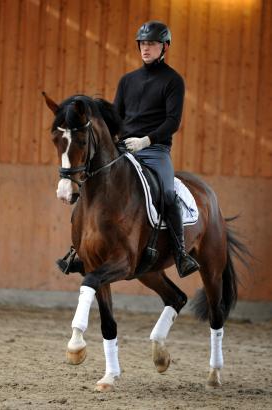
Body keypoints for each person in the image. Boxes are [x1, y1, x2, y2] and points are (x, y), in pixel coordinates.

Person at [57, 21, 199, 278]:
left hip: (155, 151)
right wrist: (117, 141)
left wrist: (146, 140)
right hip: (125, 148)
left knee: (167, 193)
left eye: (152, 44)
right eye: (143, 44)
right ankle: (79, 248)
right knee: (93, 183)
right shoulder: (127, 80)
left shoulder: (173, 81)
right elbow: (117, 117)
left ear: (164, 47)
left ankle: (180, 252)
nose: (146, 48)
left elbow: (172, 122)